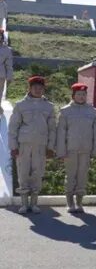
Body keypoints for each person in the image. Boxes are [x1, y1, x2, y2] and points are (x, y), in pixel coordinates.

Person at [8, 76, 56, 214]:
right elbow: (13, 127)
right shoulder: (20, 105)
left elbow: (52, 129)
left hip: (41, 145)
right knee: (23, 173)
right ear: (29, 88)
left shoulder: (49, 106)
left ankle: (34, 204)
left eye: (40, 88)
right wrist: (13, 146)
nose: (38, 90)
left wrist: (50, 147)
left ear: (43, 89)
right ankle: (24, 204)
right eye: (35, 87)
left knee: (38, 173)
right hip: (24, 145)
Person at [56, 83, 96, 213]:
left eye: (84, 94)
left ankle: (79, 203)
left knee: (82, 176)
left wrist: (95, 149)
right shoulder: (65, 111)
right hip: (70, 150)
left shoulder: (93, 111)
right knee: (70, 176)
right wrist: (61, 151)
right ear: (73, 95)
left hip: (85, 150)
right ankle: (70, 202)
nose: (81, 97)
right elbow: (61, 133)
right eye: (79, 94)